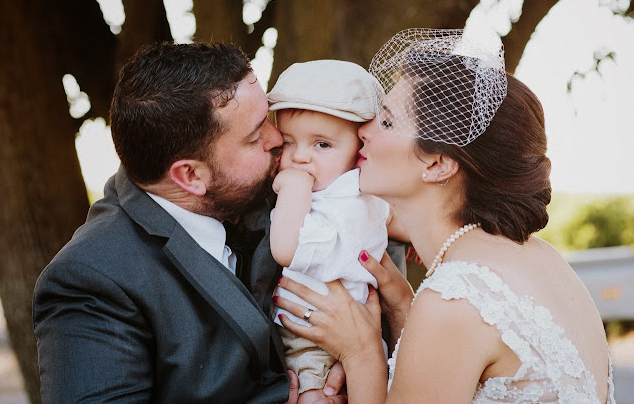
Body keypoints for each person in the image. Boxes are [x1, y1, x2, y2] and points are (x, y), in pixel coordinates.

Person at [274, 29, 616, 403]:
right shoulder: (540, 257)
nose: (364, 130)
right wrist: (404, 309)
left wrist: (362, 353)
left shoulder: (454, 301)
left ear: (437, 164)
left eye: (385, 122)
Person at [32, 42, 346, 403]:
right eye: (256, 135)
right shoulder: (92, 279)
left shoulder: (278, 191)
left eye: (269, 119)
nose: (279, 140)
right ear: (190, 176)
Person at [266, 60, 405, 403]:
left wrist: (293, 189)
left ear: (360, 149)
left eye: (322, 145)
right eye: (287, 142)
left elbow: (285, 248)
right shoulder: (355, 192)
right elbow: (389, 219)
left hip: (312, 342)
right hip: (325, 325)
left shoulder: (318, 197)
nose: (299, 158)